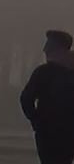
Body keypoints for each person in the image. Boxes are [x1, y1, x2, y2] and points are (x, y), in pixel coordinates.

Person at [21, 30, 74, 164]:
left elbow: (26, 99)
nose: (44, 50)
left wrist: (37, 121)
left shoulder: (43, 73)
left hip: (48, 133)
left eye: (48, 47)